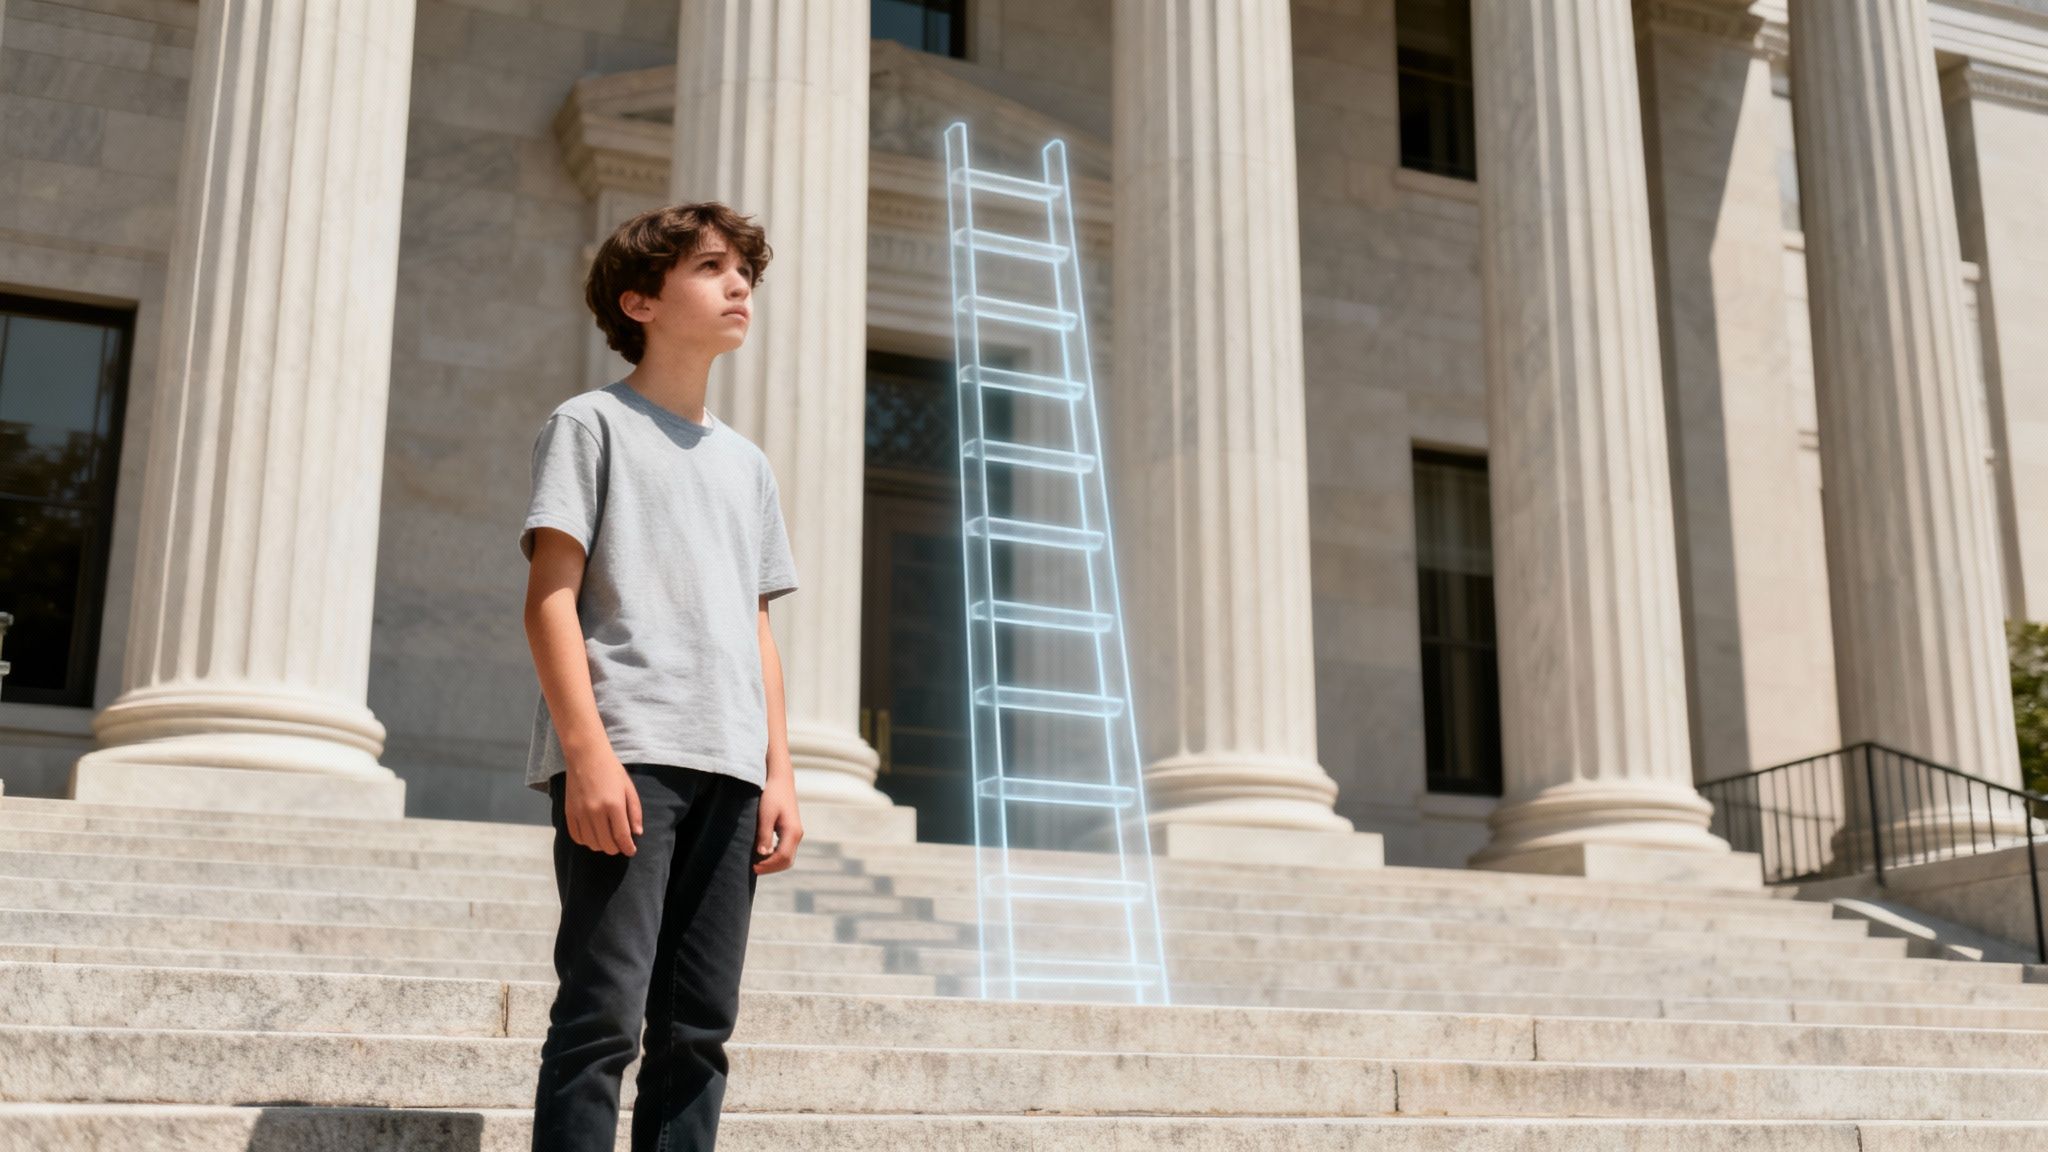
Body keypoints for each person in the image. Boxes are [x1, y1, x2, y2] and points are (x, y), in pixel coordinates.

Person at [519, 201, 803, 1151]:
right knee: (601, 1019)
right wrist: (586, 757)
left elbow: (755, 628)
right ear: (640, 300)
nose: (739, 286)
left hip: (731, 766)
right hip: (629, 756)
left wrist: (781, 773)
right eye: (713, 268)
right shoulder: (588, 424)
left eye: (745, 273)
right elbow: (550, 601)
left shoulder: (748, 465)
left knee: (698, 1033)